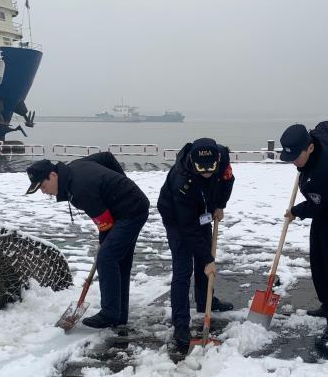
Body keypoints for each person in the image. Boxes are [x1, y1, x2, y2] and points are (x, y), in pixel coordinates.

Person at [25, 152, 150, 328]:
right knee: (119, 260)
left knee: (106, 258)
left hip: (131, 212)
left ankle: (109, 314)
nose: (44, 192)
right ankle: (119, 315)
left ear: (53, 175)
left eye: (43, 187)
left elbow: (106, 225)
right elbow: (106, 157)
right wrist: (123, 184)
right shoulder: (73, 166)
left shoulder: (79, 191)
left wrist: (123, 187)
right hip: (129, 205)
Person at [280, 122, 328, 343]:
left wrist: (295, 211)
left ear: (310, 148)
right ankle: (327, 303)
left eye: (296, 157)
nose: (293, 162)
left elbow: (316, 207)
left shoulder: (326, 171)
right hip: (324, 204)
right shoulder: (317, 136)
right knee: (317, 256)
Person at [157, 138, 235, 347]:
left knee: (204, 255)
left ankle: (205, 300)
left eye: (211, 169)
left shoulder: (223, 157)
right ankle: (181, 323)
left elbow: (228, 180)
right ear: (193, 162)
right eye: (202, 169)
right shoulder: (181, 180)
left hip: (203, 209)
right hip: (177, 217)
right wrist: (209, 259)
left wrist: (220, 205)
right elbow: (188, 228)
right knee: (183, 268)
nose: (207, 173)